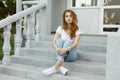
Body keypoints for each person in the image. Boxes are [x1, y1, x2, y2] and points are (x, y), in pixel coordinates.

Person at [42, 9, 82, 76]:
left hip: (71, 55)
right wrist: (57, 49)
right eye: (66, 16)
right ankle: (61, 67)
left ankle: (54, 67)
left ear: (73, 17)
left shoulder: (77, 29)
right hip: (60, 53)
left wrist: (65, 49)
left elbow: (75, 44)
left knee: (69, 41)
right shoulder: (60, 28)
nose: (68, 18)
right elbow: (53, 41)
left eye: (70, 16)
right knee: (58, 41)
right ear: (64, 18)